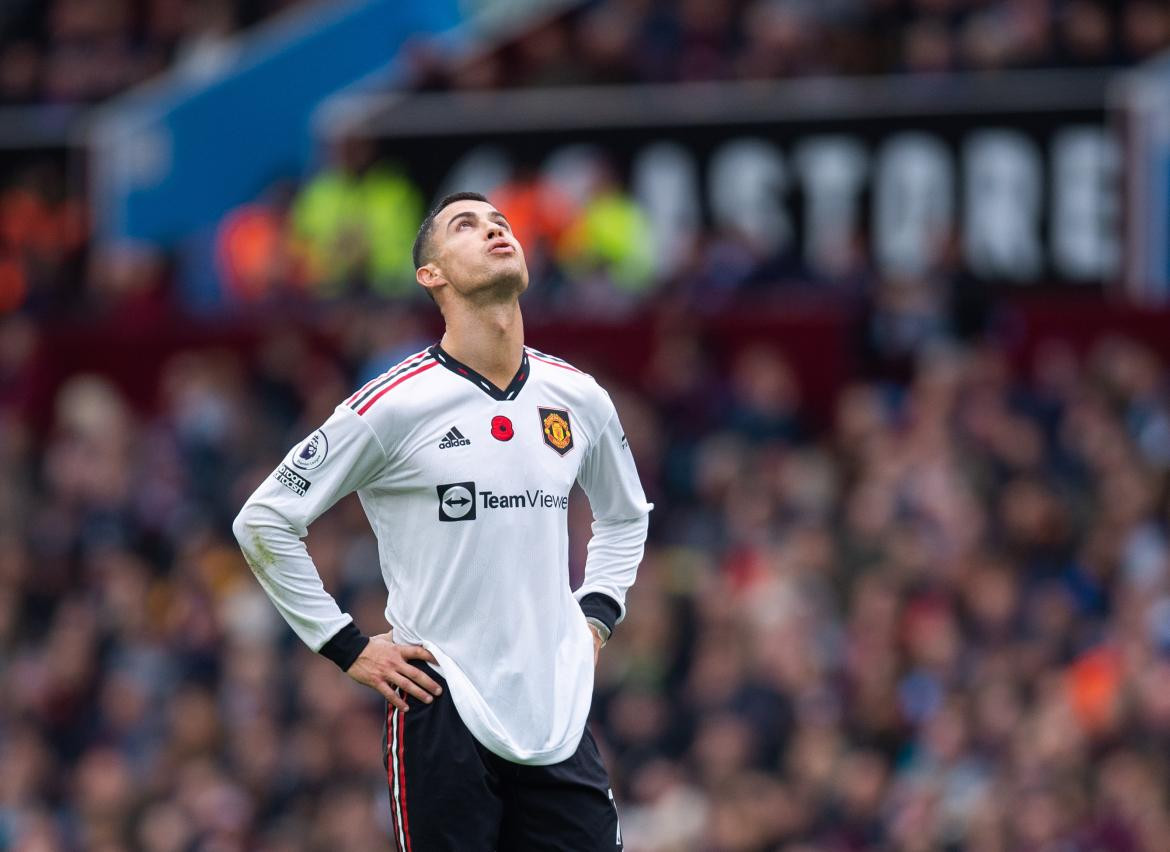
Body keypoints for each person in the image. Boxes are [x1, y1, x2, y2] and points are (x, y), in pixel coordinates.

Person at [233, 191, 652, 850]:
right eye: (467, 225)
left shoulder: (577, 395)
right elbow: (264, 519)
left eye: (501, 223)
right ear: (432, 274)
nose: (494, 230)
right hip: (441, 704)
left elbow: (626, 515)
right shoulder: (394, 405)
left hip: (555, 713)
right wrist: (346, 645)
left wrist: (598, 610)